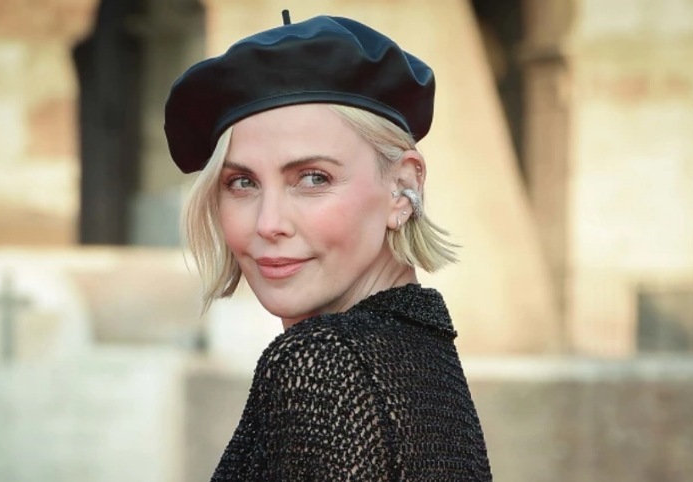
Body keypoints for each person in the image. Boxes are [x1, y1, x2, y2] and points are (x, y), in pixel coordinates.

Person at [165, 11, 492, 481]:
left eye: (313, 178)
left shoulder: (324, 362)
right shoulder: (421, 347)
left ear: (403, 188)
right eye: (242, 182)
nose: (269, 223)